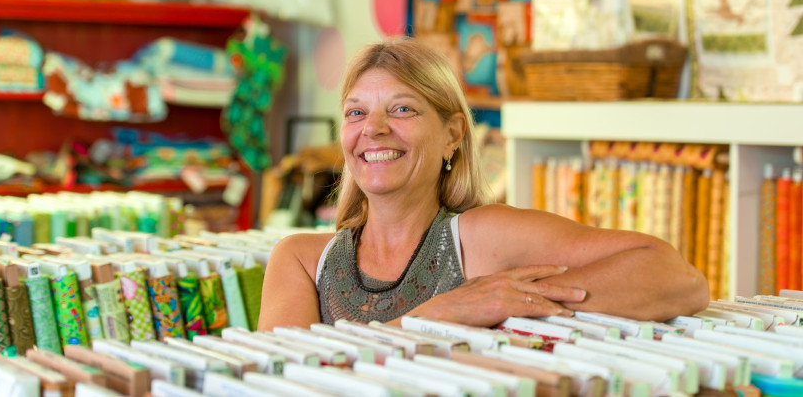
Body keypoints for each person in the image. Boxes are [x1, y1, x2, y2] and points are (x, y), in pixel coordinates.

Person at [258, 38, 709, 331]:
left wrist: (511, 302)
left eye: (401, 110)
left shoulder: (480, 237)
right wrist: (434, 317)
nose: (373, 129)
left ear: (452, 135)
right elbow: (280, 383)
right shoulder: (300, 261)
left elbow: (679, 279)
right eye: (356, 112)